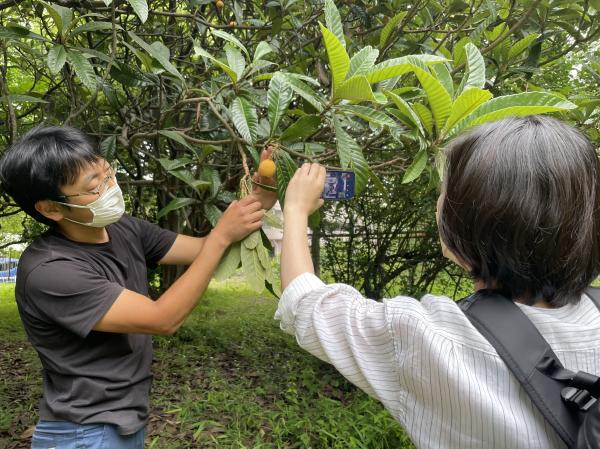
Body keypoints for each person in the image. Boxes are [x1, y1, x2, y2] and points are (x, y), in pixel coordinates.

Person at [275, 115, 600, 449]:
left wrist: (296, 209)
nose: (438, 202)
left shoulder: (425, 337)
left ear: (471, 221)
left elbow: (304, 303)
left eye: (445, 192)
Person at [0, 125, 277, 449]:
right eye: (94, 187)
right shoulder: (51, 272)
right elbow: (163, 318)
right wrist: (220, 236)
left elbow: (207, 251)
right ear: (51, 208)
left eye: (108, 174)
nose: (109, 188)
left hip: (121, 423)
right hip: (83, 433)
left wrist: (263, 194)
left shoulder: (124, 229)